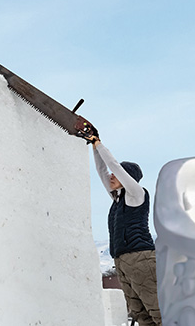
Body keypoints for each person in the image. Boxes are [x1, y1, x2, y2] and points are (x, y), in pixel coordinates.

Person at [82, 127, 161, 326]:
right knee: (142, 316)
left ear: (128, 178)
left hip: (141, 258)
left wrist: (100, 145)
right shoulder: (118, 200)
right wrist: (93, 145)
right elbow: (103, 171)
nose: (112, 176)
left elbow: (114, 166)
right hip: (122, 262)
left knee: (160, 312)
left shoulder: (136, 193)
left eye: (117, 175)